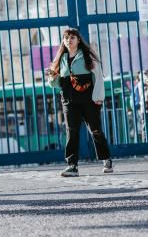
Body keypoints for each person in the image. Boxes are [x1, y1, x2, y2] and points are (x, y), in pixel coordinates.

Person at [47, 28, 113, 177]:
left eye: (72, 37)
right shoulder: (60, 59)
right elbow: (56, 84)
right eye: (66, 38)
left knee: (95, 130)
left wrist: (98, 97)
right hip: (69, 101)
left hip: (89, 100)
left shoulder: (88, 57)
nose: (69, 40)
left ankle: (106, 158)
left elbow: (98, 78)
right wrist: (52, 77)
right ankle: (72, 165)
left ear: (78, 40)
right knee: (71, 131)